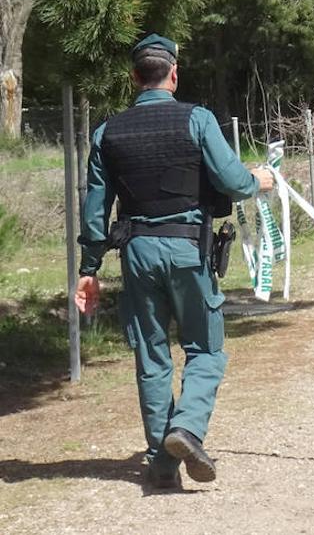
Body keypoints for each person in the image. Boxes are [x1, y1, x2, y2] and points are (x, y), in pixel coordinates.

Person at [74, 33, 275, 488]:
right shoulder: (198, 120)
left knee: (151, 355)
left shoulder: (107, 133)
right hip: (188, 250)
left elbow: (94, 213)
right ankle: (185, 429)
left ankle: (161, 464)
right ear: (174, 73)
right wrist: (257, 180)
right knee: (205, 348)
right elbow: (231, 179)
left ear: (134, 78)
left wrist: (88, 271)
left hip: (137, 252)